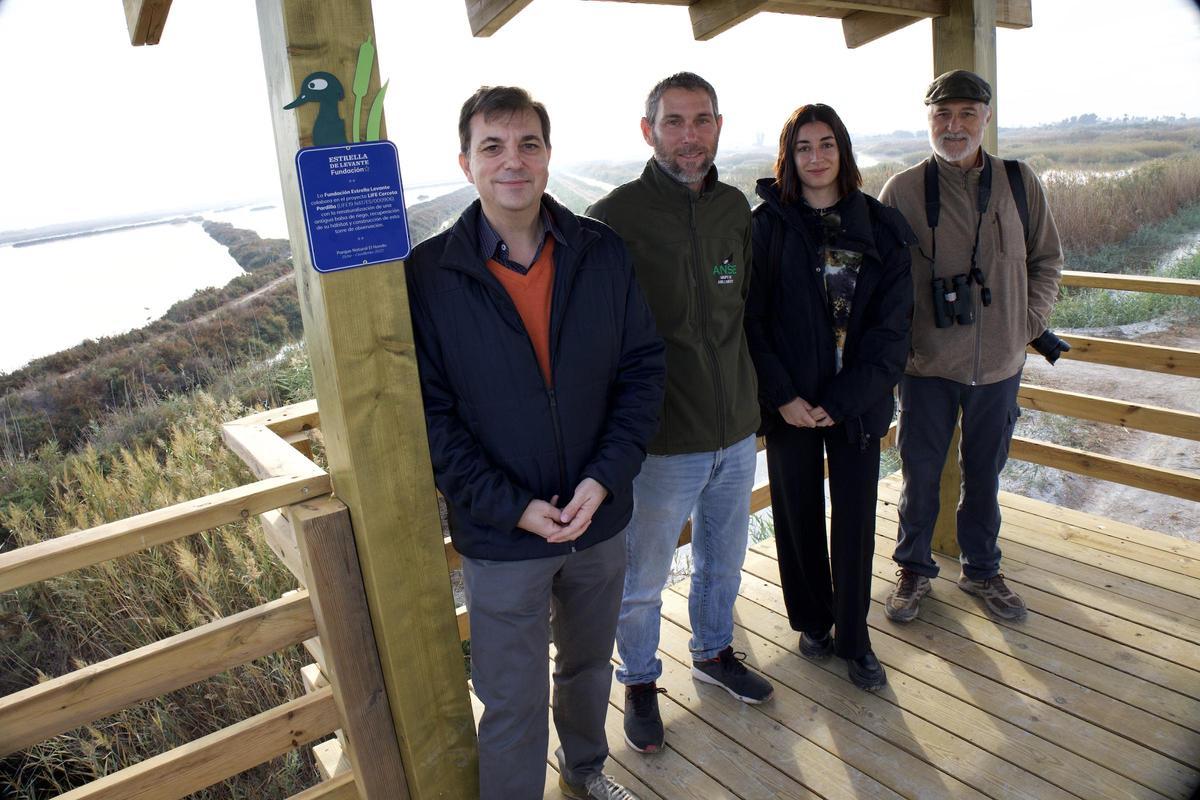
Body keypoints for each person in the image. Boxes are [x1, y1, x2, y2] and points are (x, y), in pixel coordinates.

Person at [405, 85, 665, 800]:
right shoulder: (428, 277)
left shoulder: (600, 252)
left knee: (587, 670)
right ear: (465, 163)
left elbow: (642, 371)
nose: (511, 161)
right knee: (512, 701)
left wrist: (604, 479)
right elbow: (431, 417)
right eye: (492, 146)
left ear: (548, 157)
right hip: (503, 538)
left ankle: (586, 772)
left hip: (597, 520)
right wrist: (511, 506)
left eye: (527, 144)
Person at [587, 72, 772, 755]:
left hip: (735, 429)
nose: (688, 135)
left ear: (718, 126)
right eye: (674, 122)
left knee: (725, 558)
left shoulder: (733, 211)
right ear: (649, 130)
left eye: (701, 120)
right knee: (642, 579)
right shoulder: (615, 217)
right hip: (663, 440)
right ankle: (637, 680)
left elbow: (743, 306)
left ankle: (714, 652)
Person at [879, 70, 1065, 624]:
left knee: (985, 473)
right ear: (928, 120)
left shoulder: (1019, 181)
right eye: (942, 114)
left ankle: (983, 569)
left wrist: (1026, 322)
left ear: (986, 117)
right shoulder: (903, 190)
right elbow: (881, 280)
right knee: (920, 471)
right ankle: (913, 570)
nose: (953, 125)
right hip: (927, 365)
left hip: (1001, 365)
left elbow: (1047, 261)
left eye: (965, 114)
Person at [745, 104, 914, 691]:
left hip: (857, 405)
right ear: (789, 158)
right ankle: (813, 622)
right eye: (803, 148)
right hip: (790, 404)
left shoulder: (882, 226)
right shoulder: (767, 226)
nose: (816, 158)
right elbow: (753, 321)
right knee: (796, 516)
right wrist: (785, 396)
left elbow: (893, 335)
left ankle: (855, 637)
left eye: (826, 145)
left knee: (855, 520)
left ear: (843, 151)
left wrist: (842, 401)